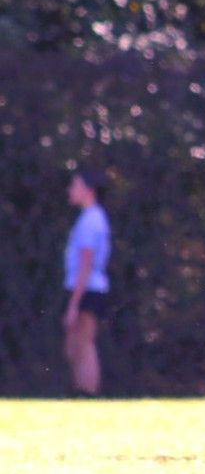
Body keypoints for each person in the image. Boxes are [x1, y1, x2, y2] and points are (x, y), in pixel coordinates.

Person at [63, 168, 111, 396]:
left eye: (75, 185)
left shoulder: (92, 220)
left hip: (87, 289)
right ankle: (82, 392)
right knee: (75, 345)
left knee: (83, 344)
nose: (70, 190)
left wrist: (74, 303)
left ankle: (88, 394)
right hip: (84, 288)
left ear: (88, 190)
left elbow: (86, 263)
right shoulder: (89, 218)